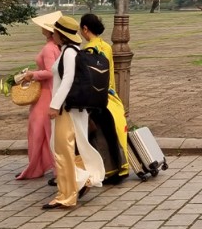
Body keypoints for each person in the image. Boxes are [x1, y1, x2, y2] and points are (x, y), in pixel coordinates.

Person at [43, 15, 105, 210]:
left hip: (65, 109)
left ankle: (66, 195)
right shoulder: (71, 51)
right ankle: (80, 180)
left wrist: (54, 105)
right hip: (68, 108)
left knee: (63, 152)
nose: (53, 34)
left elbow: (67, 80)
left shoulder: (69, 53)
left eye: (55, 32)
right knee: (66, 149)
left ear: (60, 34)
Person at [79, 13, 129, 185]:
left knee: (97, 136)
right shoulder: (106, 46)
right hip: (109, 94)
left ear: (85, 29)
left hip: (96, 97)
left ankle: (103, 170)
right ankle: (120, 166)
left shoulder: (88, 51)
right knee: (113, 133)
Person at [16, 11, 62, 181]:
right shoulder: (56, 47)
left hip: (46, 93)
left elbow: (50, 71)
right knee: (46, 131)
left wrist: (32, 74)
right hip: (49, 91)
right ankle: (41, 166)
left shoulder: (49, 48)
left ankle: (46, 168)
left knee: (39, 131)